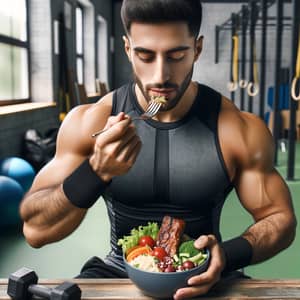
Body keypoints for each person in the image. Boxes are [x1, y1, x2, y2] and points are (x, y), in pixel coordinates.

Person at [20, 0, 297, 299]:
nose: (160, 75)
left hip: (206, 269)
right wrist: (95, 171)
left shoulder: (237, 129)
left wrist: (227, 255)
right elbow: (36, 231)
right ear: (128, 49)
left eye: (177, 55)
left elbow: (280, 219)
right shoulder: (90, 121)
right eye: (145, 55)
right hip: (117, 269)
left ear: (197, 49)